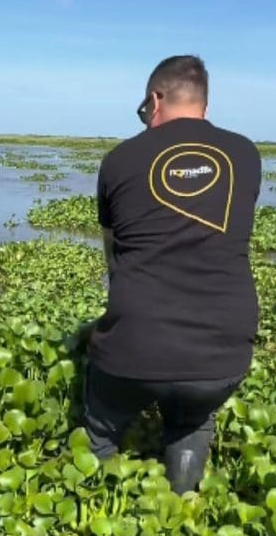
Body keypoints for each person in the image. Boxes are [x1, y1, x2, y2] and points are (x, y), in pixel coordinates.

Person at [82, 55, 262, 494]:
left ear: (154, 99)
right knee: (193, 416)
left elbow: (114, 256)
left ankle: (96, 499)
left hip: (136, 346)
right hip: (222, 355)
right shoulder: (245, 153)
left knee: (101, 422)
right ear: (203, 101)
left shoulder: (120, 159)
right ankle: (182, 505)